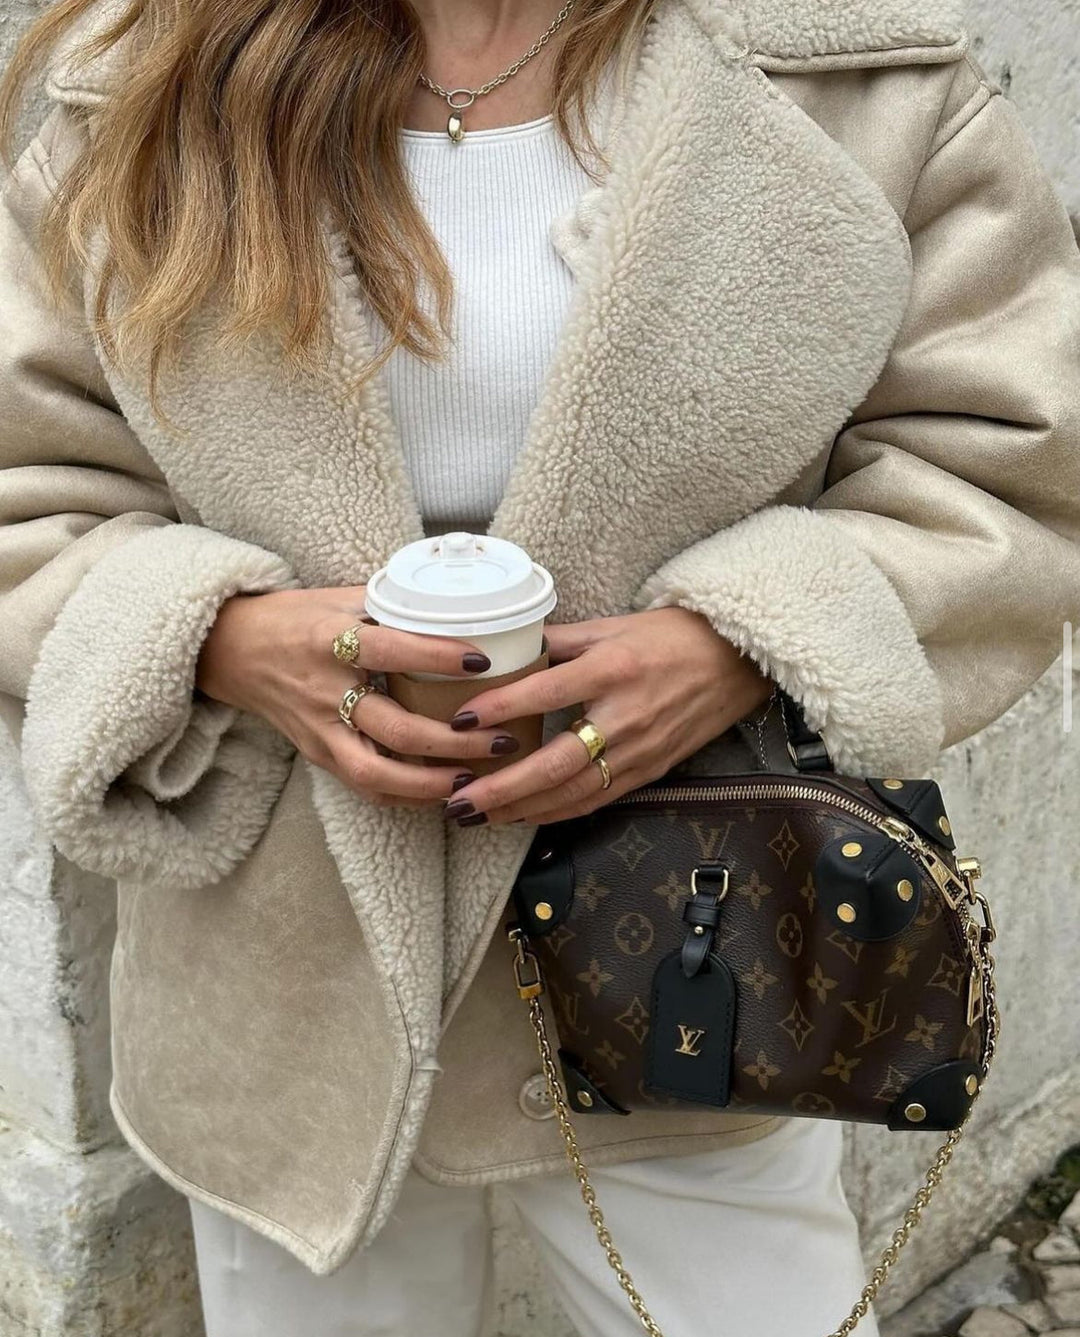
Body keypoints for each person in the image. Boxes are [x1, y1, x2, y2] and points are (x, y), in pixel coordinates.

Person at [1, 0, 1078, 1331]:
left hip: (695, 943)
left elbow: (1007, 460)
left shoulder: (850, 75)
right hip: (291, 986)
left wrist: (734, 639)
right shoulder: (151, 78)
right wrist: (225, 634)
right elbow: (26, 488)